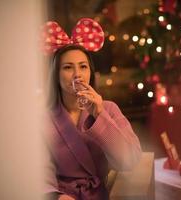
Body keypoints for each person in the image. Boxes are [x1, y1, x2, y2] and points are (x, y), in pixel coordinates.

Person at [42, 18, 142, 200]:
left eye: (83, 66)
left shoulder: (109, 108)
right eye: (67, 67)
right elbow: (39, 170)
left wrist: (99, 114)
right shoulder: (42, 119)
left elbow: (130, 159)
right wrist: (55, 196)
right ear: (56, 75)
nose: (77, 74)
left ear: (90, 72)